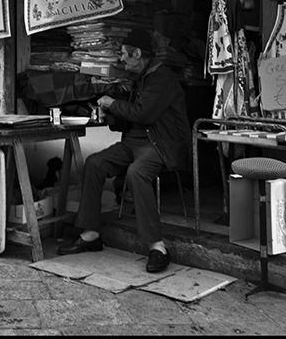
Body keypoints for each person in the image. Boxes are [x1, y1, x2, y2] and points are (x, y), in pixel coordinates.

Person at [57, 27, 191, 273]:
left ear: (137, 53)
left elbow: (143, 114)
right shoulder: (139, 79)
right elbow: (132, 119)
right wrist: (107, 115)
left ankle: (157, 247)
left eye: (124, 55)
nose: (121, 60)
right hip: (136, 141)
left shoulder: (162, 78)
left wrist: (113, 103)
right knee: (95, 163)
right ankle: (90, 234)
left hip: (161, 143)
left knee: (137, 173)